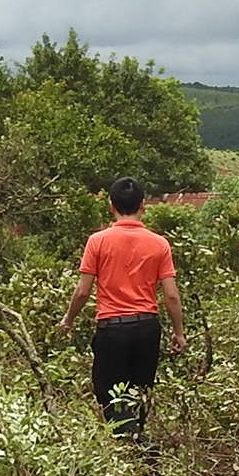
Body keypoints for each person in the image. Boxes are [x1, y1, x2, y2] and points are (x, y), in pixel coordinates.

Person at [58, 177, 187, 440]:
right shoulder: (159, 244)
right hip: (147, 328)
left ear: (110, 206)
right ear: (143, 205)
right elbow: (171, 296)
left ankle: (131, 446)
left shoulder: (98, 241)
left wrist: (67, 321)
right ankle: (137, 442)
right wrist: (179, 332)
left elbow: (83, 291)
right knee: (140, 391)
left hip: (112, 330)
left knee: (109, 393)